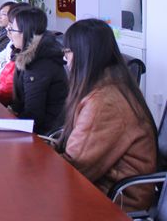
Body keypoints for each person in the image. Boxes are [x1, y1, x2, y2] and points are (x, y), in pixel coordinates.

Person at [55, 19, 157, 211]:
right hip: (99, 188)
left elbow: (74, 168)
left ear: (84, 55)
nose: (65, 60)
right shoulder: (113, 84)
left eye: (67, 52)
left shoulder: (105, 102)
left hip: (115, 200)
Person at [8, 7, 68, 135]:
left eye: (12, 29)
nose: (10, 33)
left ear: (24, 32)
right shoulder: (34, 55)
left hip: (43, 134)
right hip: (33, 126)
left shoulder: (39, 64)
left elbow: (33, 116)